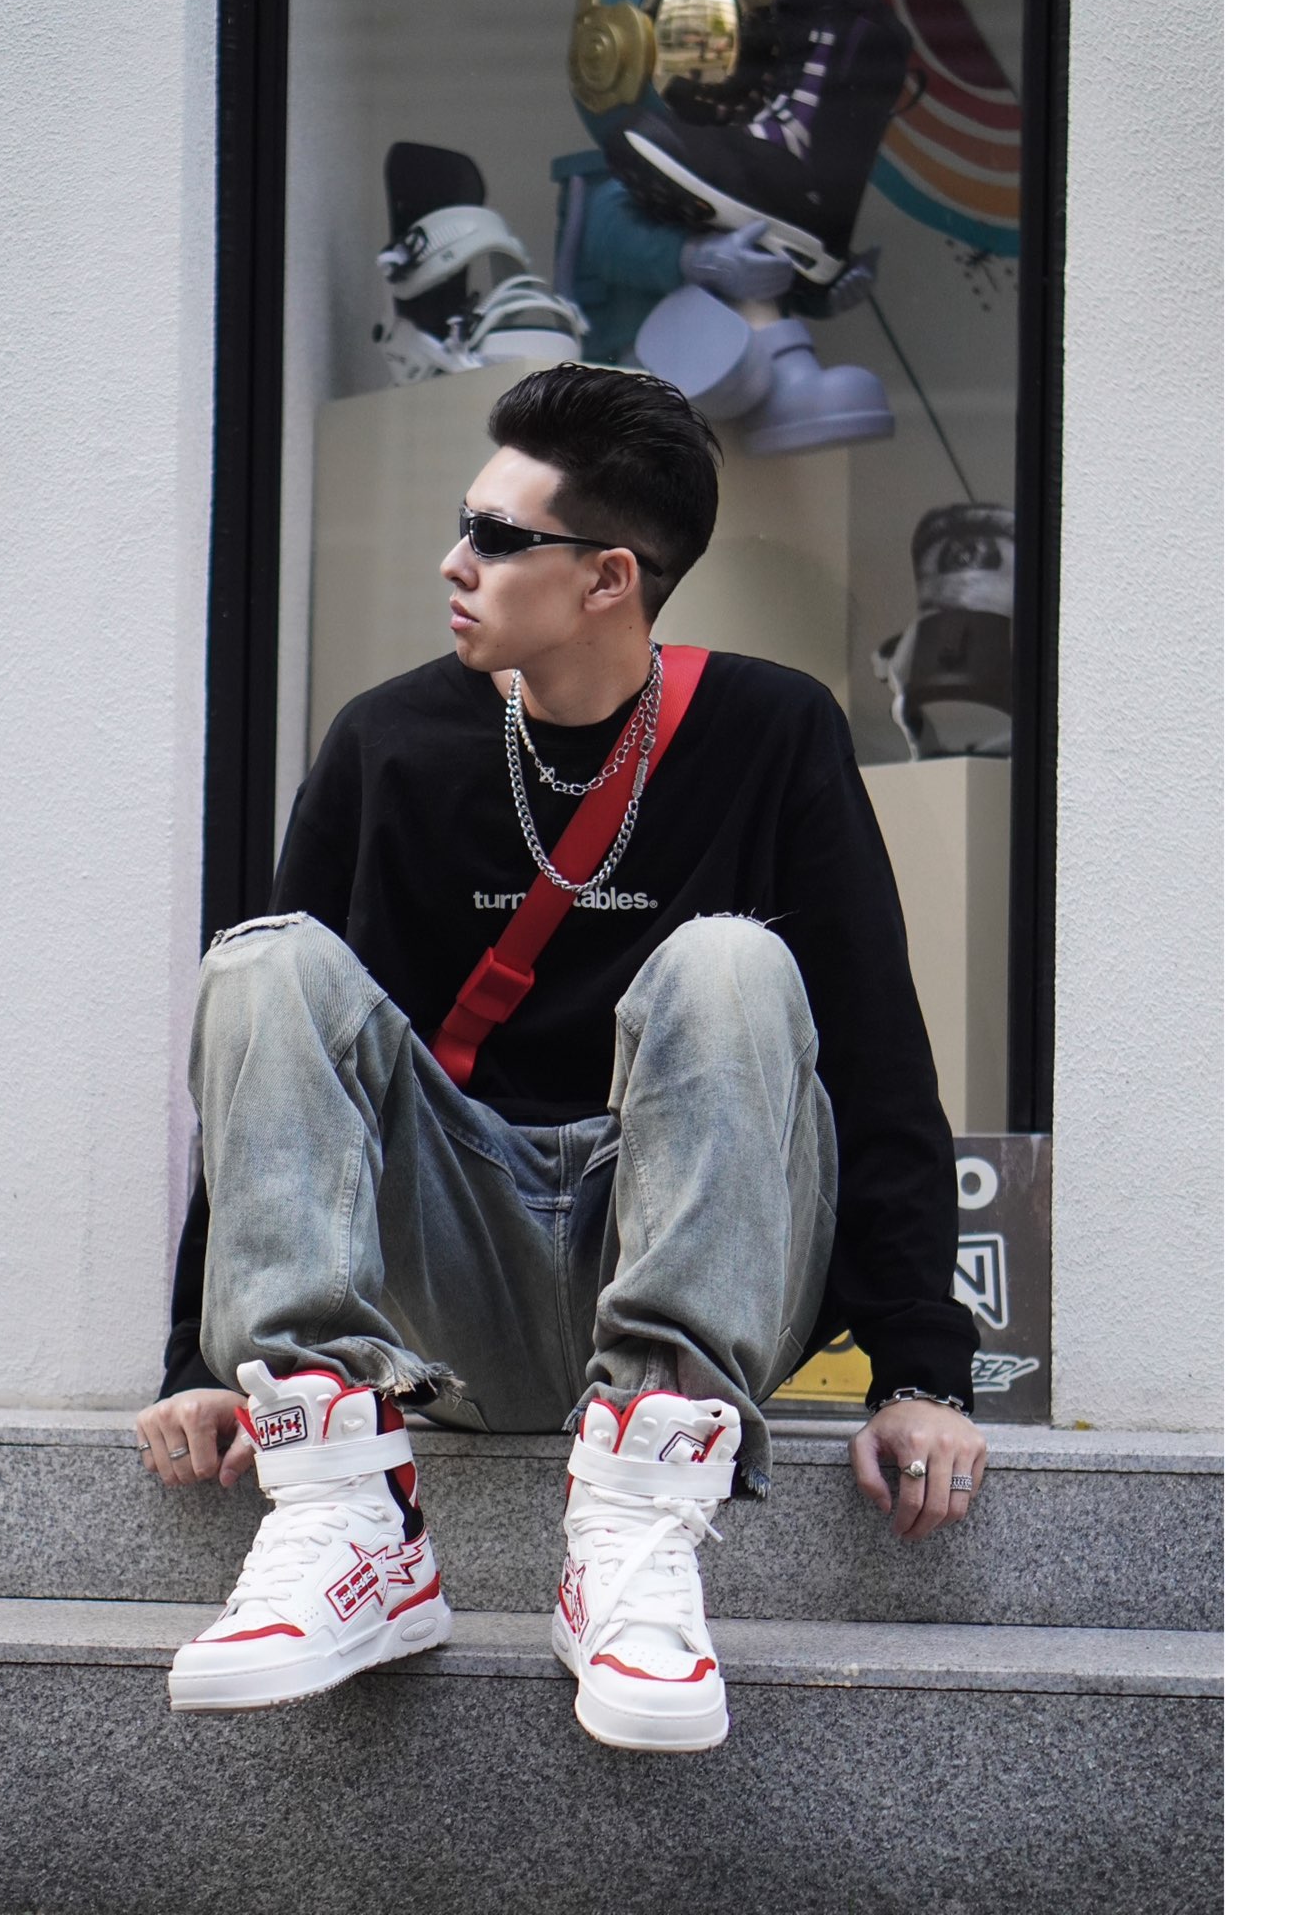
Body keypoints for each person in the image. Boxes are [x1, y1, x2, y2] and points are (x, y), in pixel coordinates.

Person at [138, 362, 986, 1749]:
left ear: (608, 579)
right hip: (447, 1288)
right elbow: (276, 1090)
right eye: (462, 524)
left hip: (679, 1270)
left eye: (495, 536)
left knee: (733, 963)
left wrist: (921, 1373)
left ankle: (637, 1534)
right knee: (265, 960)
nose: (453, 562)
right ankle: (348, 1515)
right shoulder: (388, 742)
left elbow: (879, 1063)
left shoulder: (771, 731)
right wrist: (197, 1356)